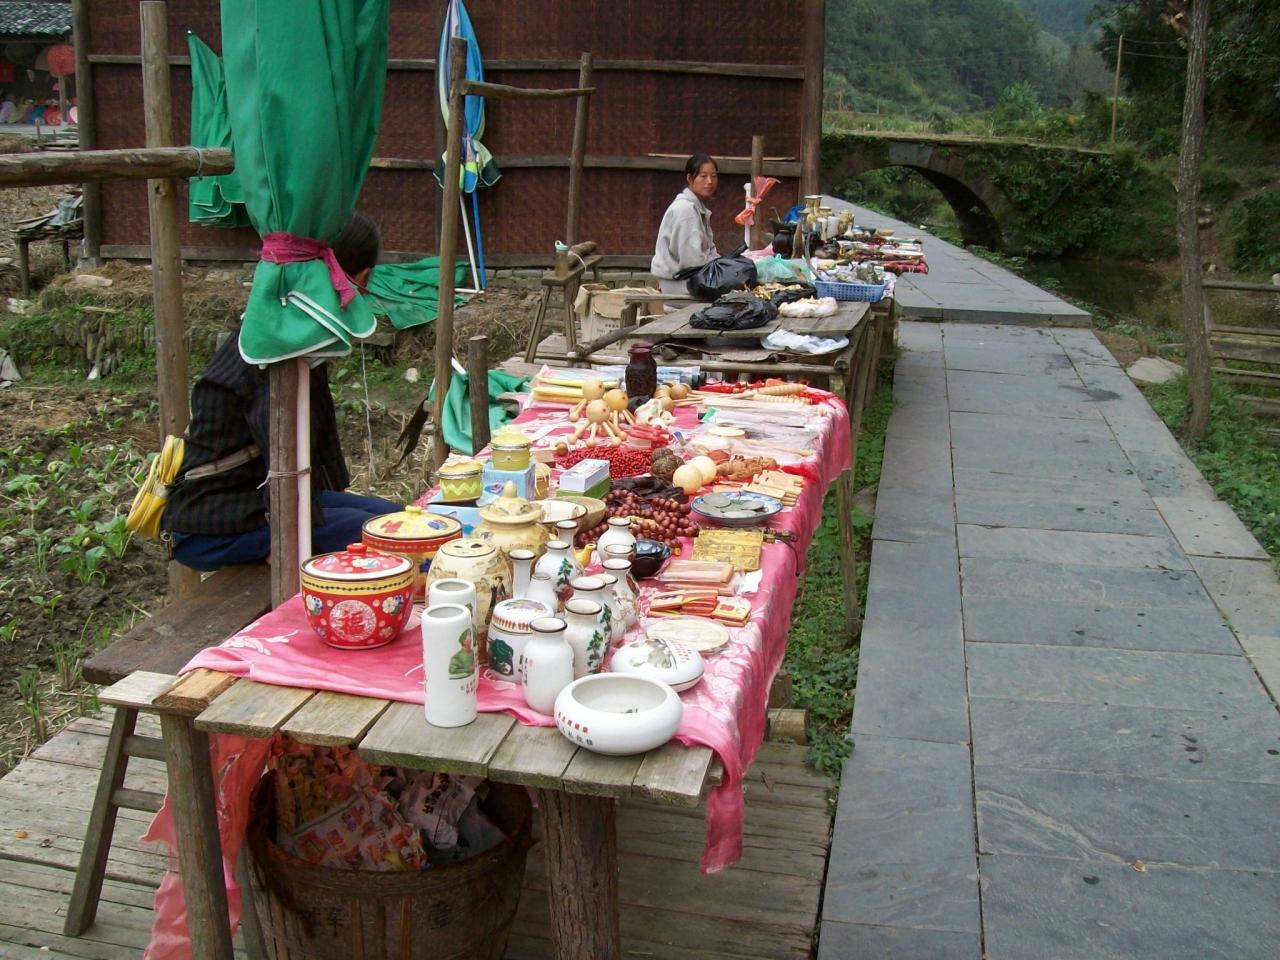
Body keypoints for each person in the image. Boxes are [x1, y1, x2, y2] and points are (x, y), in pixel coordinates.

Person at [163, 211, 400, 571]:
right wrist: (297, 542)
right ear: (361, 279)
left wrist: (325, 511)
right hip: (212, 524)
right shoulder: (274, 352)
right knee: (392, 537)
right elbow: (283, 468)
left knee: (395, 519)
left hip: (254, 500)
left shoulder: (285, 332)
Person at [651, 153, 720, 299]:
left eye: (713, 176)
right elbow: (692, 261)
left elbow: (710, 251)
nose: (709, 181)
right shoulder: (686, 210)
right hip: (680, 287)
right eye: (703, 176)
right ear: (689, 178)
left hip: (688, 282)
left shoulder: (697, 208)